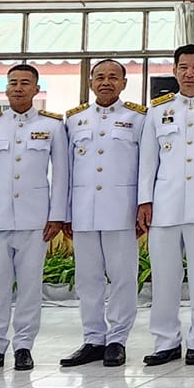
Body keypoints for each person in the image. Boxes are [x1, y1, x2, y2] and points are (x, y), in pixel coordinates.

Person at [0, 63, 69, 373]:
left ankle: (24, 346)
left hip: (35, 220)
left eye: (25, 83)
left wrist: (57, 215)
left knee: (30, 287)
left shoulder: (52, 125)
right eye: (13, 83)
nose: (18, 88)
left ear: (37, 89)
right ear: (6, 89)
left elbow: (61, 175)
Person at [138, 44, 194, 366]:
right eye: (183, 67)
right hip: (165, 205)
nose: (189, 73)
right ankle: (165, 341)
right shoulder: (157, 110)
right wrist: (145, 201)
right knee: (164, 278)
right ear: (174, 71)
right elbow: (148, 161)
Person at [59, 59, 147, 369]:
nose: (106, 82)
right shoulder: (74, 120)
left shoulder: (138, 118)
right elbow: (66, 171)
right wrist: (64, 212)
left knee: (123, 277)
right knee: (87, 279)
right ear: (90, 83)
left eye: (113, 77)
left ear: (124, 83)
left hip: (121, 209)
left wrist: (143, 205)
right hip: (84, 210)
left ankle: (117, 340)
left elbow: (146, 166)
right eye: (100, 77)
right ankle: (93, 339)